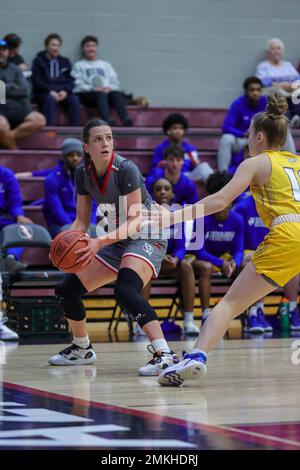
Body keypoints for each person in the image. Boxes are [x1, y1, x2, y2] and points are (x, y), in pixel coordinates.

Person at [156, 91, 300, 386]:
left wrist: (171, 217)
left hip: (287, 232)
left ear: (259, 137)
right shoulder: (296, 162)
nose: (247, 139)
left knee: (230, 305)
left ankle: (196, 357)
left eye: (248, 134)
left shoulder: (256, 162)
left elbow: (220, 201)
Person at [48, 118, 179, 376]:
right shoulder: (82, 173)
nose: (105, 143)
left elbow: (136, 220)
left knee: (125, 289)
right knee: (67, 288)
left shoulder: (126, 169)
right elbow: (82, 221)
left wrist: (98, 242)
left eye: (108, 138)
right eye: (98, 139)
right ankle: (81, 348)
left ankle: (165, 354)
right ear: (86, 147)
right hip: (115, 239)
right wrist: (64, 246)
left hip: (146, 235)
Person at [143, 178, 199, 335]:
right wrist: (160, 258)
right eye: (158, 188)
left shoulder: (176, 216)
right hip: (151, 261)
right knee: (144, 268)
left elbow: (181, 247)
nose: (162, 192)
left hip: (170, 263)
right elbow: (143, 245)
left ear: (172, 193)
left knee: (187, 266)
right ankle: (142, 323)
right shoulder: (145, 215)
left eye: (166, 188)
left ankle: (188, 320)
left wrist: (176, 258)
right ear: (152, 193)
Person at [236, 195, 300, 332]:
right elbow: (237, 240)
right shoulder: (242, 207)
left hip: (274, 248)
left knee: (292, 261)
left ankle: (292, 309)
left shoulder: (279, 204)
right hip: (248, 250)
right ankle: (255, 311)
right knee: (256, 260)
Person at [190, 171, 244, 324]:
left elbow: (239, 249)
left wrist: (235, 262)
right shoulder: (202, 218)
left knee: (248, 267)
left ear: (232, 201)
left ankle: (249, 313)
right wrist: (221, 264)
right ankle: (206, 314)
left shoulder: (238, 219)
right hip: (201, 259)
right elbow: (199, 252)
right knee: (206, 267)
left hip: (224, 259)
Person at [218, 76, 296, 173]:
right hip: (245, 138)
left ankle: (294, 165)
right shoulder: (237, 104)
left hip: (263, 138)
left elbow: (278, 120)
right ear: (246, 91)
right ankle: (222, 174)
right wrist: (242, 133)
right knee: (226, 138)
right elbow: (226, 127)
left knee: (285, 132)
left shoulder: (267, 102)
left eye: (258, 90)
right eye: (252, 90)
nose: (255, 93)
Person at [0, 164, 33, 341]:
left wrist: (19, 215)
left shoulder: (6, 174)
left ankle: (11, 256)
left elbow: (15, 202)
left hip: (3, 219)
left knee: (23, 229)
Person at [73, 36, 132, 126]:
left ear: (96, 48)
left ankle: (125, 119)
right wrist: (93, 88)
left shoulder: (105, 65)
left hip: (106, 93)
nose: (91, 48)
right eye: (88, 46)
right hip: (89, 95)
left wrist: (109, 88)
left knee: (116, 93)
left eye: (93, 46)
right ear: (83, 49)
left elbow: (115, 81)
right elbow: (77, 85)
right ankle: (107, 120)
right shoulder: (79, 65)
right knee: (101, 94)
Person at [0, 39, 45, 149]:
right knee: (1, 127)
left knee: (39, 120)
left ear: (8, 52)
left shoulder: (15, 69)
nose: (1, 52)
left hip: (20, 108)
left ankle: (9, 137)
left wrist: (4, 88)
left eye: (3, 49)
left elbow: (25, 91)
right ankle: (15, 152)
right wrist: (12, 86)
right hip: (1, 110)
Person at [32, 33, 80, 126]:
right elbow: (37, 81)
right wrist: (49, 91)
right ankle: (50, 132)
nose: (56, 48)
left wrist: (65, 91)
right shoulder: (38, 61)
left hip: (62, 92)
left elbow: (71, 80)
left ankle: (74, 133)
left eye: (58, 45)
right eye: (53, 45)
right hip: (44, 93)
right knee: (49, 100)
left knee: (74, 99)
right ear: (46, 46)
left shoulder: (65, 61)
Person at [43, 138, 87, 237]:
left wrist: (88, 226)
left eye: (78, 155)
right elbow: (56, 208)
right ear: (64, 157)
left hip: (82, 223)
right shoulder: (53, 178)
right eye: (71, 155)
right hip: (59, 224)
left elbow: (92, 206)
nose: (75, 158)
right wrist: (73, 227)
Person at [152, 113, 213, 180]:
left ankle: (216, 188)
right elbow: (155, 168)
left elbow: (195, 168)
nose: (178, 131)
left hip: (186, 176)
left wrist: (196, 164)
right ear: (168, 130)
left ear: (184, 131)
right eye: (174, 128)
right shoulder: (160, 148)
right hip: (168, 177)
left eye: (180, 128)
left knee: (204, 166)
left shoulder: (190, 148)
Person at [256, 38, 300, 127]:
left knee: (297, 93)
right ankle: (286, 121)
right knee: (280, 94)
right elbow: (260, 81)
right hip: (275, 92)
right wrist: (281, 85)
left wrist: (293, 85)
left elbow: (298, 79)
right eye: (273, 49)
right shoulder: (263, 66)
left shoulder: (288, 65)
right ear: (268, 52)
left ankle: (297, 117)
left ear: (282, 52)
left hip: (291, 92)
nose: (276, 51)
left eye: (278, 49)